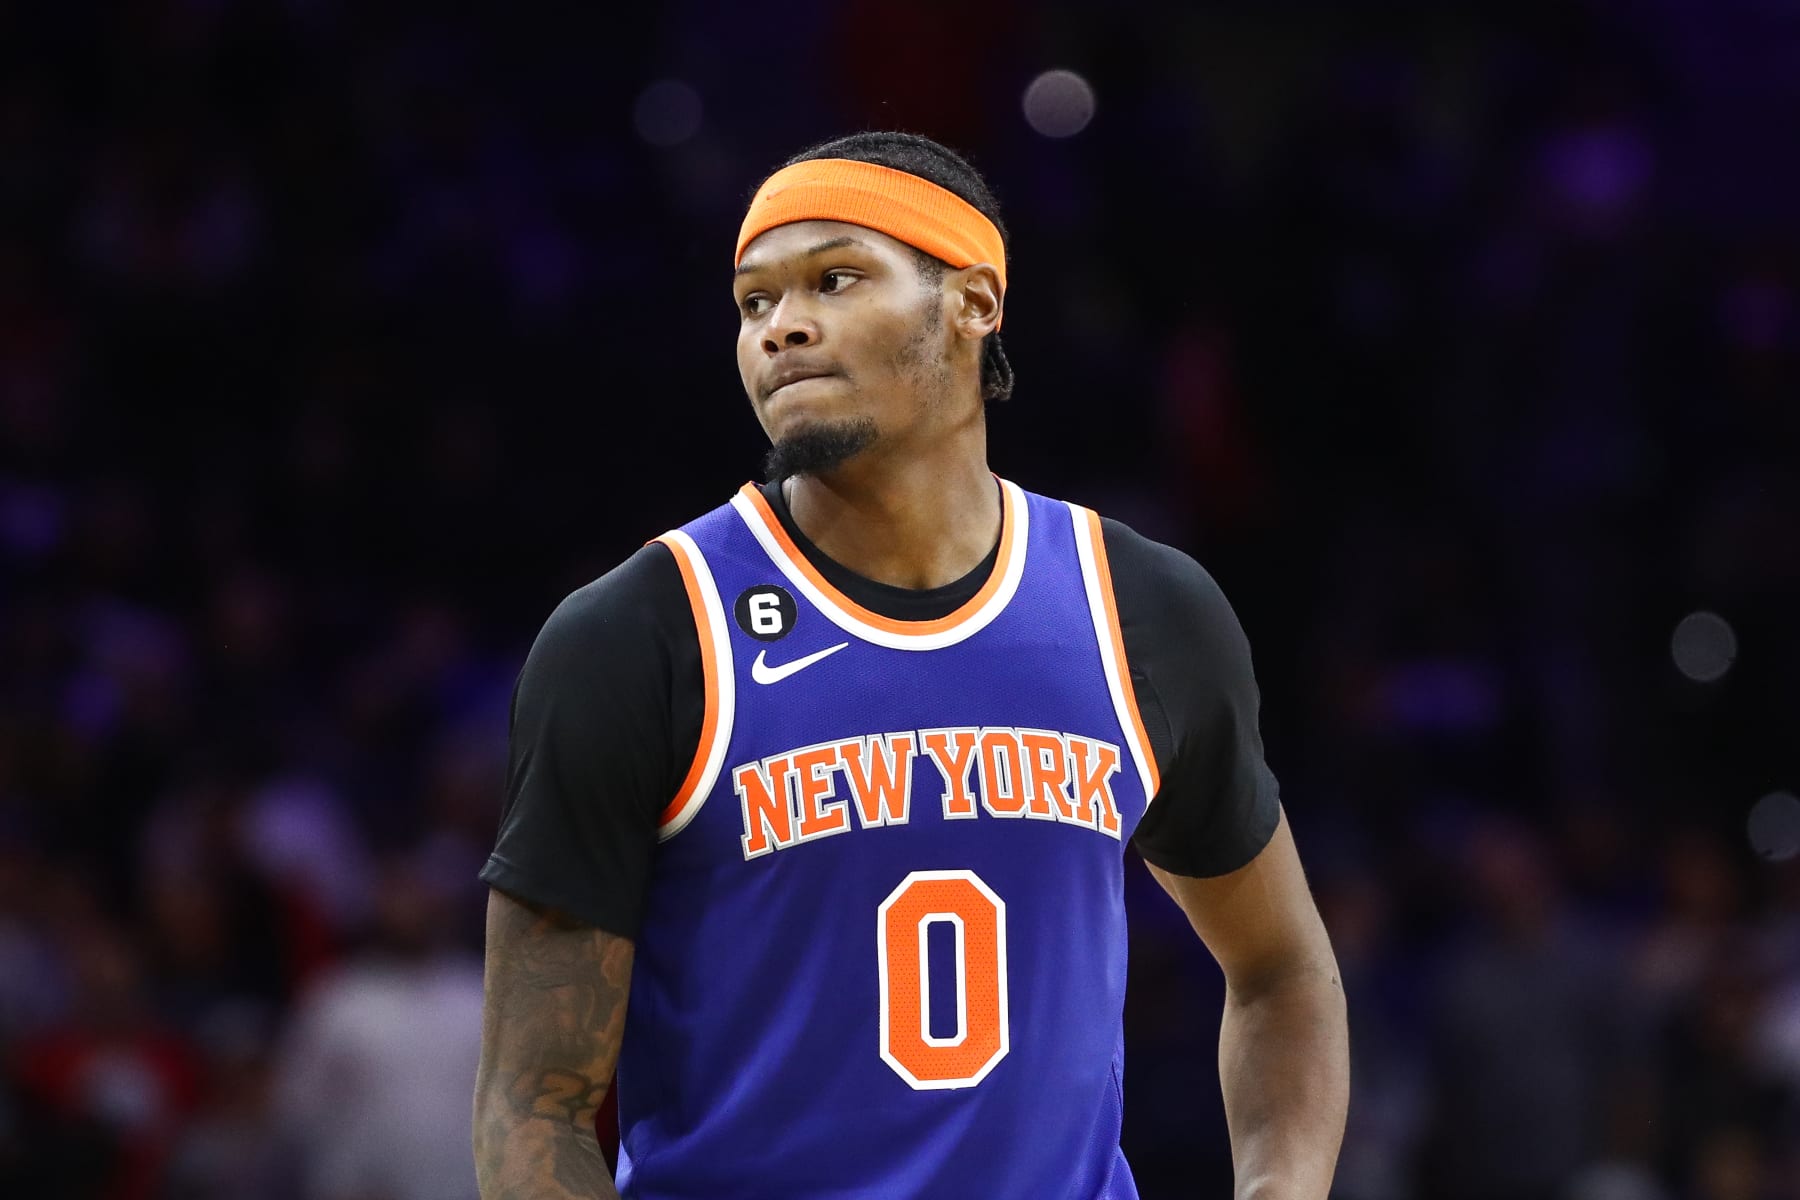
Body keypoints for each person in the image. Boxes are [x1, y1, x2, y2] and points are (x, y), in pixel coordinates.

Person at [472, 131, 1348, 1200]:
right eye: (752, 303)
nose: (781, 327)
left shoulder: (1142, 611)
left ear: (973, 300)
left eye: (834, 280)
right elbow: (535, 1102)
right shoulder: (644, 634)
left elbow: (1281, 970)